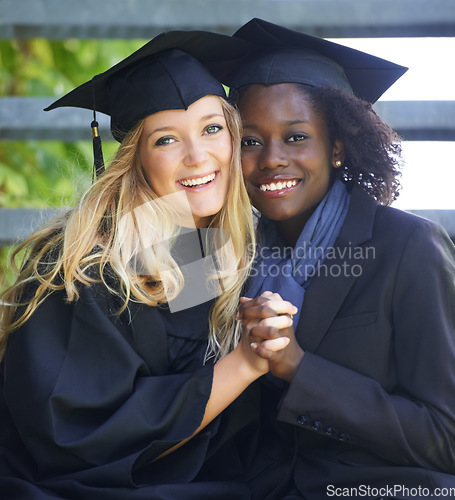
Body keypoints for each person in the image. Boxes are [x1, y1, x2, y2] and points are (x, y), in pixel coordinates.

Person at [0, 29, 296, 499]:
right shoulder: (83, 266)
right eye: (166, 140)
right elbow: (76, 435)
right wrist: (246, 362)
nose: (198, 156)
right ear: (136, 158)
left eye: (212, 128)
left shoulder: (226, 247)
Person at [228, 18, 455, 500]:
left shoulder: (410, 247)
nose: (271, 158)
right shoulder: (219, 251)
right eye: (250, 141)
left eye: (296, 137)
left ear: (337, 147)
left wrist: (297, 367)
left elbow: (449, 439)